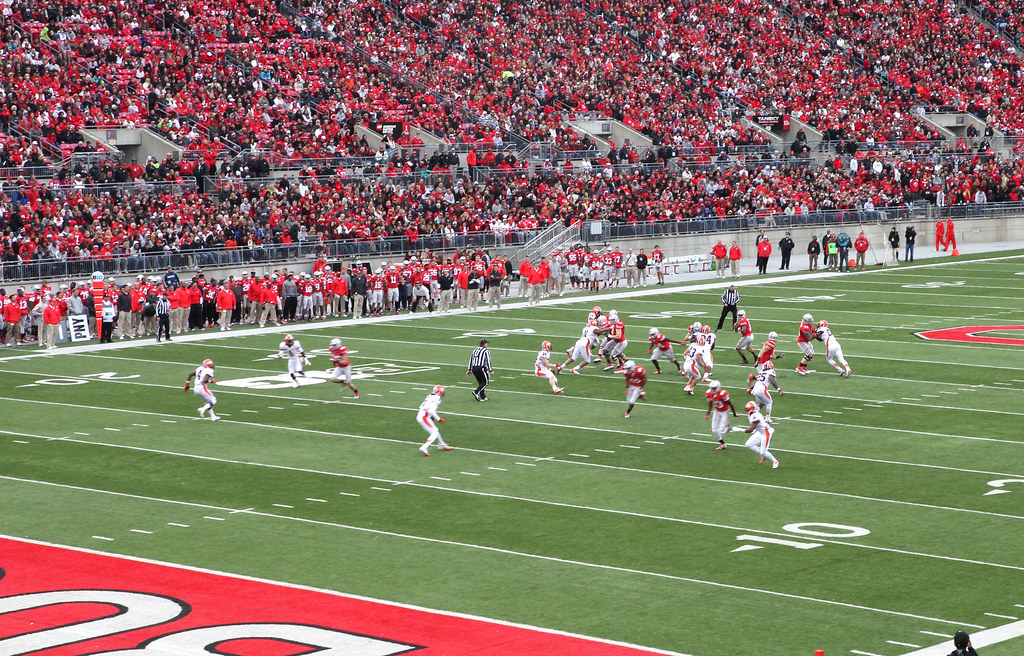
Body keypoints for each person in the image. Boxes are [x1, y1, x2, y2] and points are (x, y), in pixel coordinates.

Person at [736, 401, 780, 468]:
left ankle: (775, 461)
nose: (747, 410)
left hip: (766, 433)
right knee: (748, 444)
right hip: (759, 432)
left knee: (764, 452)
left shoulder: (755, 416)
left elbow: (751, 430)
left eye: (748, 408)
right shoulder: (753, 413)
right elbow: (761, 404)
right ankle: (763, 454)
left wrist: (741, 429)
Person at [705, 380, 740, 450]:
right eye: (711, 388)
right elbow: (710, 404)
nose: (712, 390)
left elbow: (731, 404)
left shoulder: (722, 394)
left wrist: (734, 414)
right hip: (717, 411)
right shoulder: (709, 393)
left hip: (725, 412)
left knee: (721, 431)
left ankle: (727, 425)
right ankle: (723, 444)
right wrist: (707, 414)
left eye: (714, 388)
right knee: (714, 430)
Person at [417, 385, 451, 456]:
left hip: (424, 415)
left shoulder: (430, 395)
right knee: (434, 433)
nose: (443, 392)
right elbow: (431, 410)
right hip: (424, 417)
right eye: (442, 390)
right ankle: (424, 447)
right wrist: (439, 419)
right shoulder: (437, 398)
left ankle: (442, 444)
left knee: (436, 430)